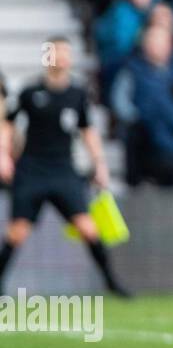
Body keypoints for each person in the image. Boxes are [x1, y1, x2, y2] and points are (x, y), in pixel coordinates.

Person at [0, 37, 129, 297]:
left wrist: (99, 163)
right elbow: (8, 124)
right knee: (17, 232)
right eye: (55, 52)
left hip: (63, 169)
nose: (60, 57)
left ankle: (112, 282)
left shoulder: (77, 94)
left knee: (88, 228)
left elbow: (87, 130)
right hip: (32, 169)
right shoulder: (30, 92)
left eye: (64, 52)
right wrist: (3, 155)